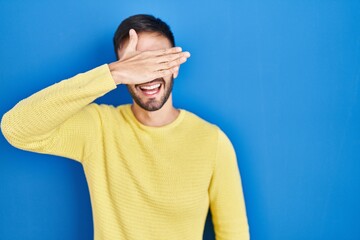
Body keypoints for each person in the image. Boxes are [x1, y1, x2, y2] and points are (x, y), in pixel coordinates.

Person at [1, 14, 249, 240]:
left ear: (174, 65)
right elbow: (16, 128)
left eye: (157, 61)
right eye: (137, 63)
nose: (148, 74)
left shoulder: (211, 140)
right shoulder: (99, 128)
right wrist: (113, 74)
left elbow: (234, 233)